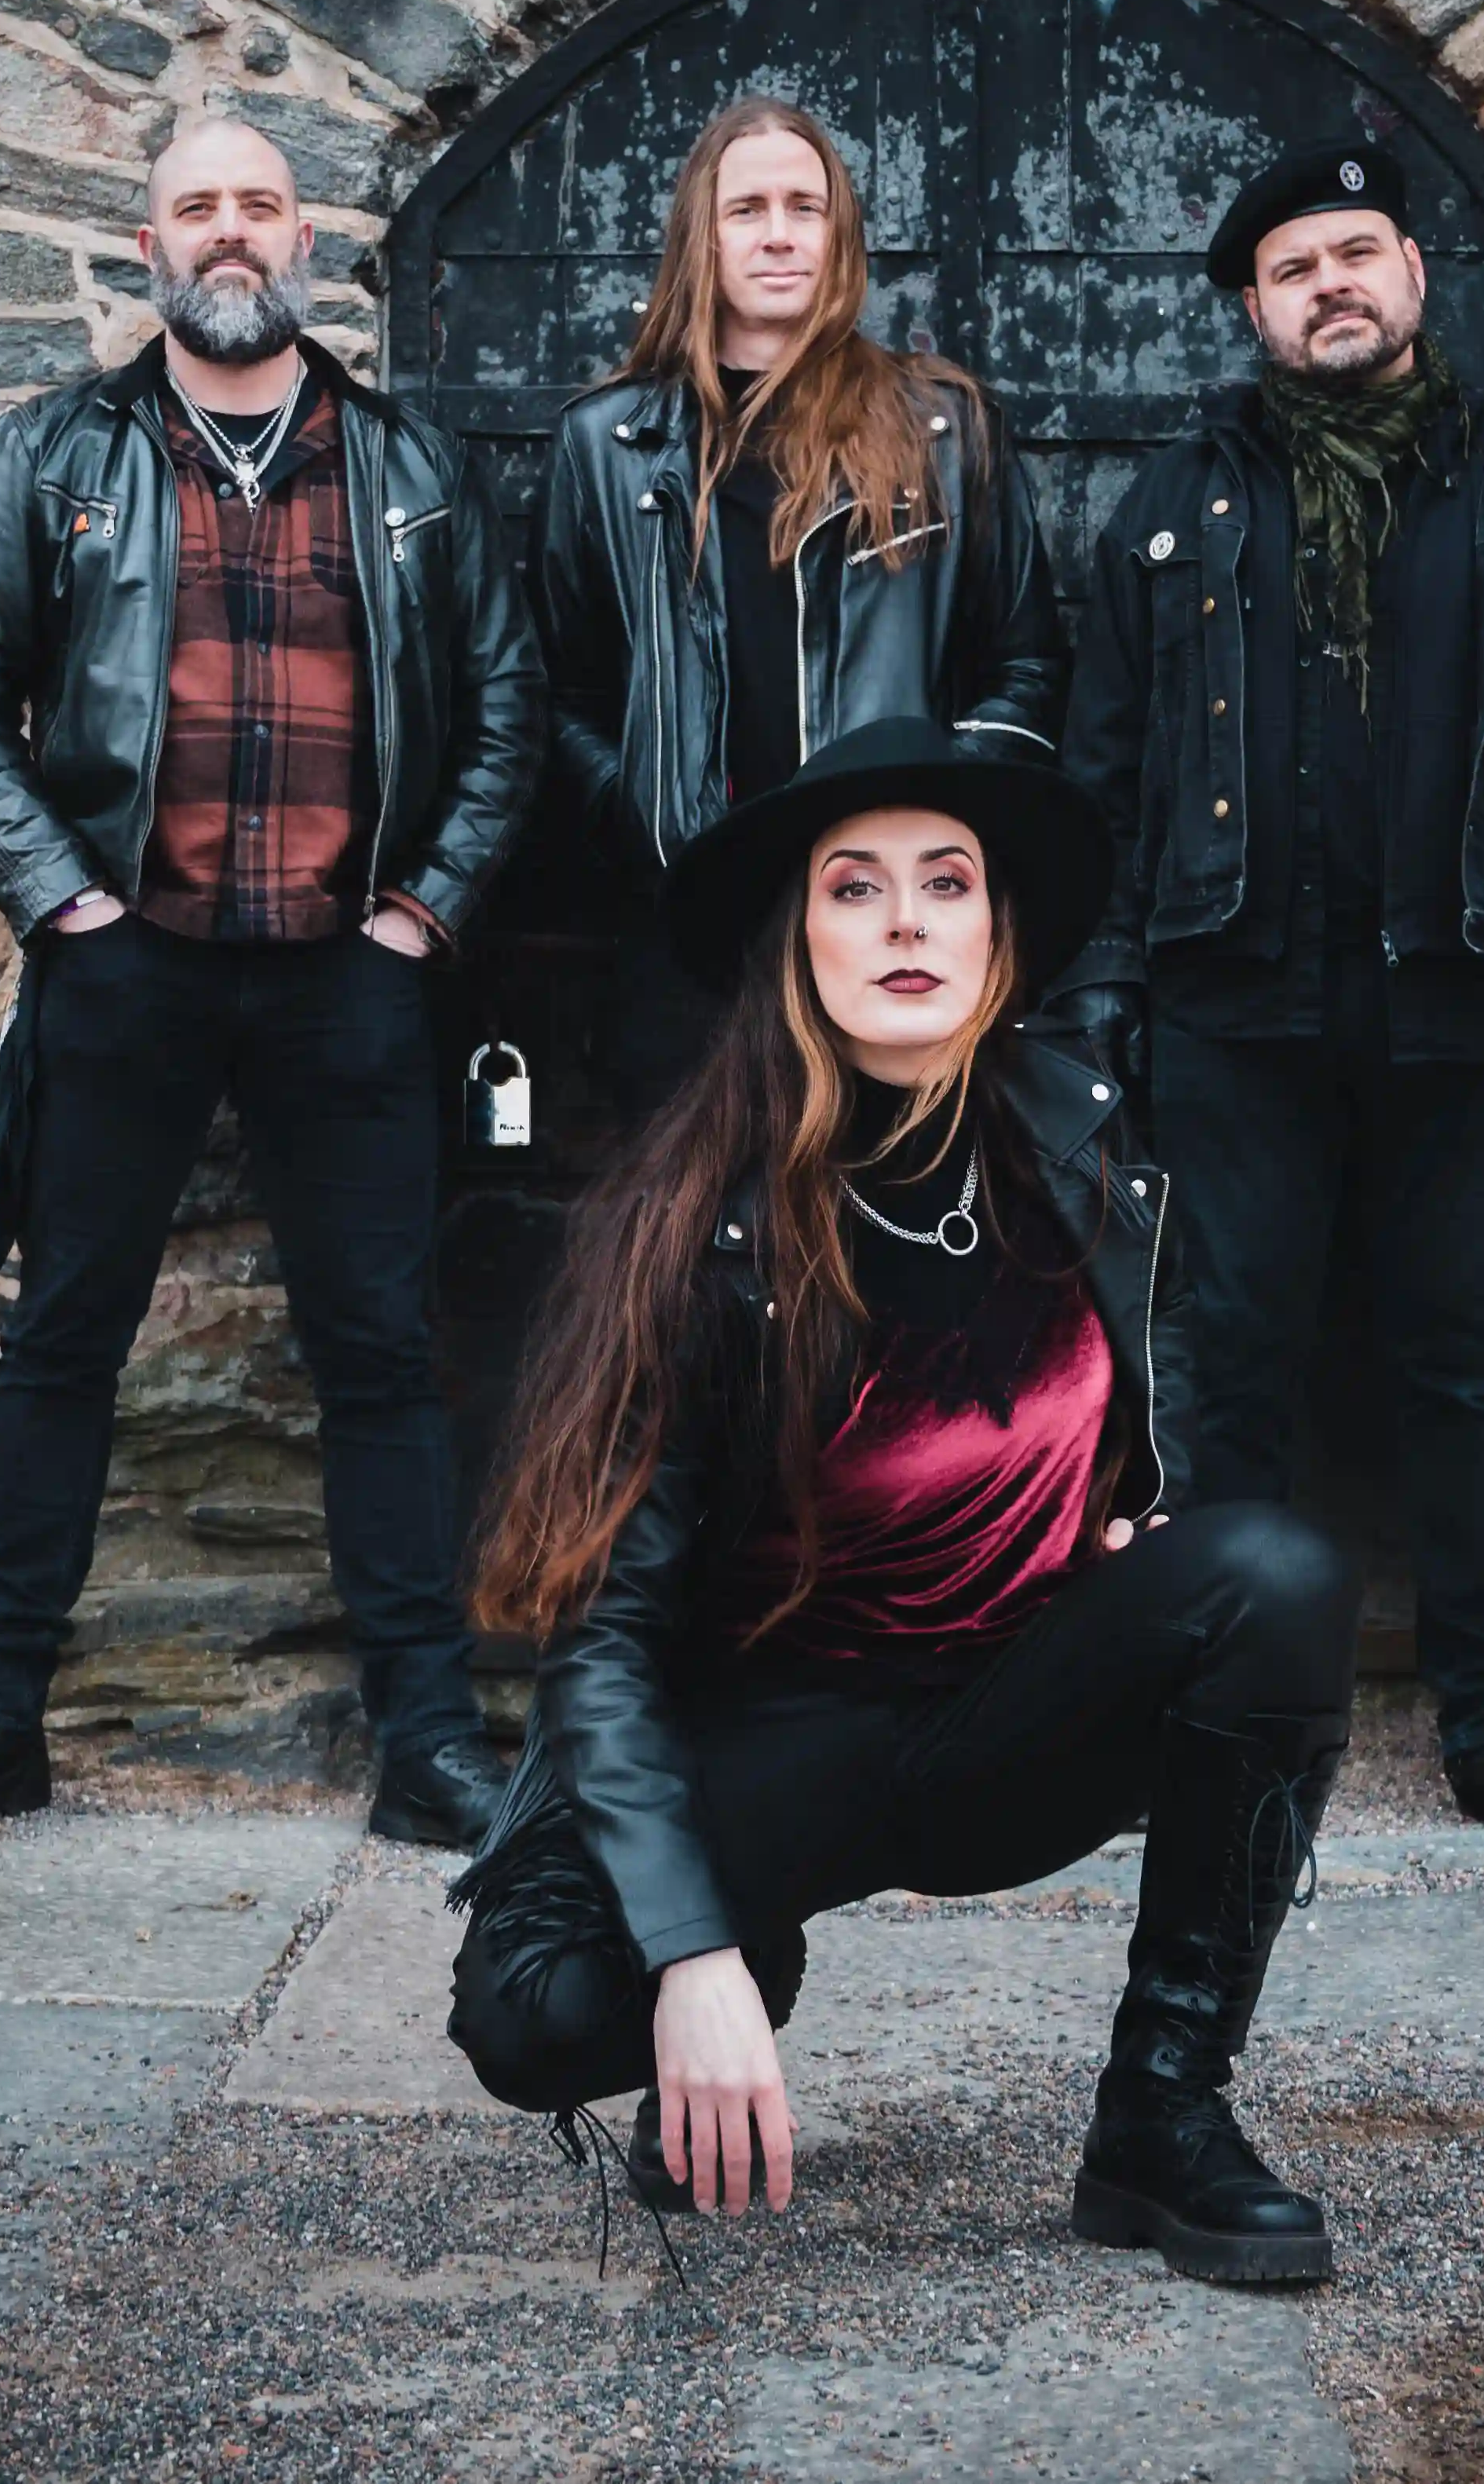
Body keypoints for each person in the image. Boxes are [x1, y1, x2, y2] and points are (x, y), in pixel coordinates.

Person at [444, 717, 1361, 2288]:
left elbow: (1171, 1393)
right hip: (762, 1749)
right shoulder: (699, 1220)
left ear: (997, 934)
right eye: (854, 889)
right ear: (796, 942)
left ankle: (1163, 2115)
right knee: (532, 2013)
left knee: (1272, 1575)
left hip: (1006, 1719)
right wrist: (695, 1954)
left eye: (946, 884)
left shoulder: (1084, 1145)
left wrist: (1153, 1512)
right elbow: (602, 1642)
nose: (906, 923)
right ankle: (753, 1956)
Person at [0, 118, 546, 1854]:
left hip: (351, 979)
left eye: (257, 205)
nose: (228, 234)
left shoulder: (409, 466)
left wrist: (422, 918)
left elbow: (505, 715)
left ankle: (427, 1744)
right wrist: (65, 908)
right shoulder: (55, 455)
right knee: (60, 1344)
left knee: (385, 1359)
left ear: (302, 237)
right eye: (197, 208)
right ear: (148, 245)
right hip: (129, 966)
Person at [1051, 139, 1484, 1835]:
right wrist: (1099, 987)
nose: (1333, 283)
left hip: (1464, 1007)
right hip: (1233, 1004)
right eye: (1296, 265)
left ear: (1413, 277)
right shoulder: (1172, 506)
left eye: (1359, 252)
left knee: (1469, 1366)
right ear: (1255, 306)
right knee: (1229, 1371)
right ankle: (1215, 1720)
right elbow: (1103, 775)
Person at [528, 99, 1063, 1091]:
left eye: (804, 207)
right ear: (702, 233)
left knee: (888, 1218)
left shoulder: (945, 429)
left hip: (887, 925)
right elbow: (563, 688)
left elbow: (1025, 662)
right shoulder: (606, 444)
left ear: (839, 234)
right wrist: (643, 813)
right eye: (747, 209)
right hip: (694, 921)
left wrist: (933, 796)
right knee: (695, 1227)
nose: (778, 233)